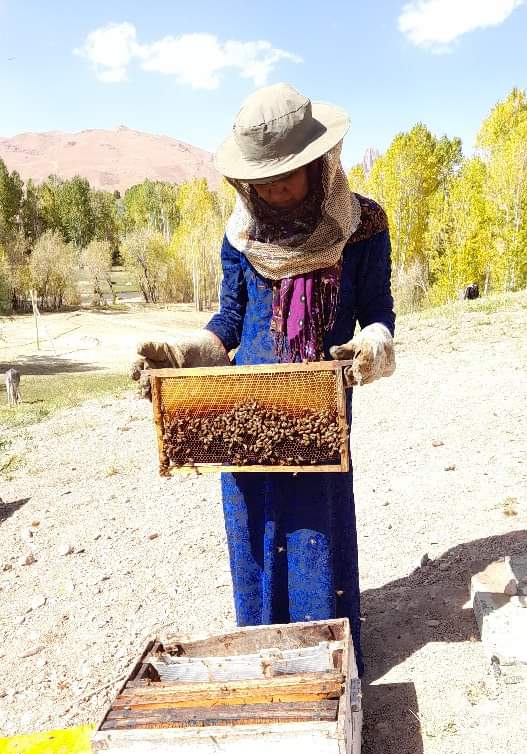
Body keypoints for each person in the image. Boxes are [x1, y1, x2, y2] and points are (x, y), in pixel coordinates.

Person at [135, 83, 395, 675]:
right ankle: (265, 658)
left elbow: (378, 312)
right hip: (240, 415)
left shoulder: (364, 224)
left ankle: (330, 664)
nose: (274, 189)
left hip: (317, 412)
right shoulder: (240, 235)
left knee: (315, 531)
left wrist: (372, 345)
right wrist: (184, 354)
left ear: (318, 164)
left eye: (288, 175)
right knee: (253, 531)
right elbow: (228, 322)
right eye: (263, 179)